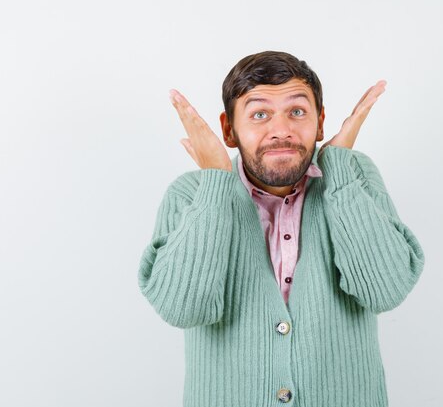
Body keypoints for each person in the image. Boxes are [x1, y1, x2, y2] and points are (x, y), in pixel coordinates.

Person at [137, 50, 425, 407]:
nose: (282, 130)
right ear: (229, 129)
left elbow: (386, 290)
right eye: (260, 114)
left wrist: (339, 169)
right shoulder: (191, 195)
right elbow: (182, 308)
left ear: (320, 123)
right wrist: (215, 182)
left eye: (297, 112)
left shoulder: (355, 178)